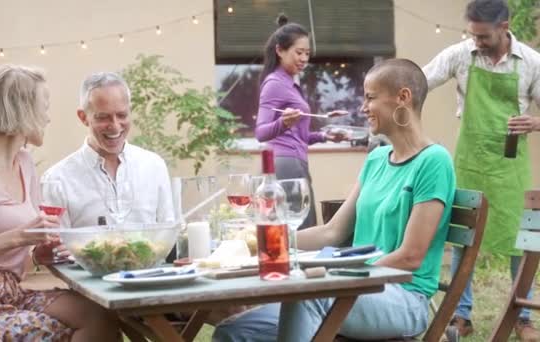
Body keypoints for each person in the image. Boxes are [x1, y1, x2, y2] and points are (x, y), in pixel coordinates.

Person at [213, 59, 456, 341]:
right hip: (356, 289)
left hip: (403, 297)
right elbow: (333, 231)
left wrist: (341, 275)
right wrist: (264, 241)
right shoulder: (377, 159)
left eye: (370, 97)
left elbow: (411, 256)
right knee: (234, 331)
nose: (363, 107)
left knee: (309, 294)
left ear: (403, 97)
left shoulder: (434, 161)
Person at [0, 65, 120, 340]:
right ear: (22, 109)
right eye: (44, 106)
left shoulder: (24, 163)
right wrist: (15, 238)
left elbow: (19, 250)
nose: (48, 117)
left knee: (99, 315)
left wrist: (37, 254)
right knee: (50, 331)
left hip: (9, 289)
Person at [423, 0, 540, 338]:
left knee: (523, 239)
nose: (477, 41)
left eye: (484, 36)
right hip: (470, 160)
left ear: (505, 26)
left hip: (510, 164)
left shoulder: (531, 63)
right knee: (464, 238)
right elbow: (420, 80)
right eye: (472, 34)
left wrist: (534, 122)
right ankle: (462, 315)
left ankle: (522, 317)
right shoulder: (460, 55)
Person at [42, 72, 174, 228]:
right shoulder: (57, 179)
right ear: (83, 117)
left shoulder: (154, 166)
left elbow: (168, 232)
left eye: (122, 115)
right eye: (103, 117)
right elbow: (56, 245)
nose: (115, 126)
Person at [255, 14, 348, 229]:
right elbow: (261, 132)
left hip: (297, 162)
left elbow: (301, 137)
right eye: (299, 52)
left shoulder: (290, 84)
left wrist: (326, 136)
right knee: (299, 230)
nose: (304, 58)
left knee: (304, 226)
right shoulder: (274, 83)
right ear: (279, 50)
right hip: (285, 164)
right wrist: (283, 124)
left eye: (307, 53)